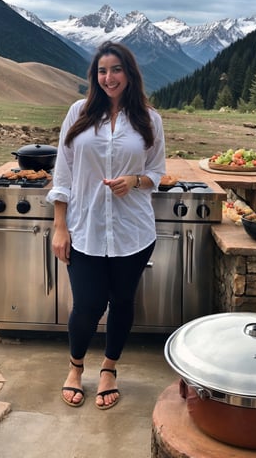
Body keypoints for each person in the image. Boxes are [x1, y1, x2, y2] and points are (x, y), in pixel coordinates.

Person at [46, 41, 166, 410]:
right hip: (85, 229)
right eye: (102, 70)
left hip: (133, 231)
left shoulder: (149, 119)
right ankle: (75, 366)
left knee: (122, 301)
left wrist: (134, 181)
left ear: (129, 74)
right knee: (87, 304)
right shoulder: (78, 113)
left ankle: (109, 368)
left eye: (116, 70)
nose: (109, 77)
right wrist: (60, 225)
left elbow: (156, 172)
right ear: (94, 76)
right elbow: (63, 173)